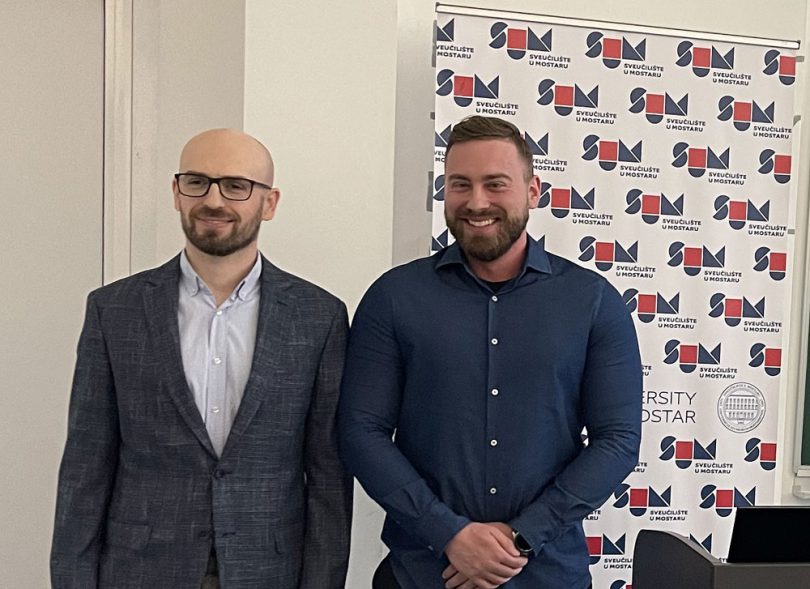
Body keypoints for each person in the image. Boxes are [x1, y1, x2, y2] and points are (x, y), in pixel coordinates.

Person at [339, 115, 642, 589]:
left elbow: (617, 440)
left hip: (547, 576)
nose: (476, 202)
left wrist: (522, 537)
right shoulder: (394, 297)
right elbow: (361, 431)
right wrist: (448, 534)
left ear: (533, 191)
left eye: (495, 184)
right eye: (460, 184)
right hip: (421, 574)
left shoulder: (592, 301)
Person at [51, 129, 352, 589]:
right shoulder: (114, 310)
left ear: (269, 203)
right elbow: (85, 466)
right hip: (140, 570)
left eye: (236, 185)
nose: (213, 200)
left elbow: (328, 478)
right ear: (176, 192)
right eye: (197, 182)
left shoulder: (318, 317)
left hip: (268, 571)